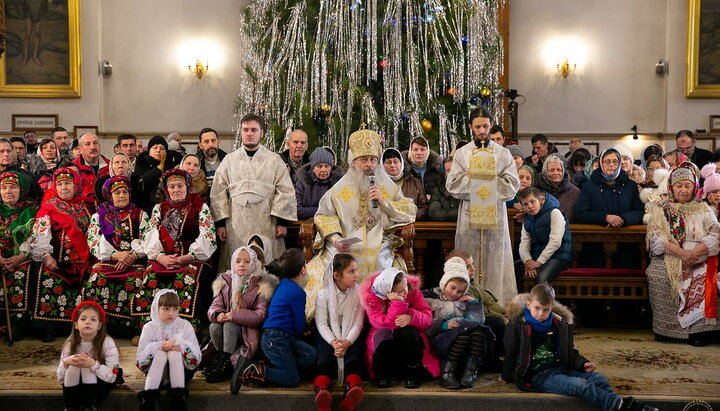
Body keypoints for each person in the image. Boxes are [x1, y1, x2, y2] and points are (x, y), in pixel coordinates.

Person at [303, 128, 416, 319]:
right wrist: (335, 238)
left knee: (383, 260)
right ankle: (335, 316)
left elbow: (409, 211)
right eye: (364, 160)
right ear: (353, 162)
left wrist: (384, 203)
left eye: (372, 160)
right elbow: (324, 215)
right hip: (346, 242)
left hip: (379, 241)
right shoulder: (339, 189)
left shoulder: (387, 186)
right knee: (330, 264)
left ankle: (380, 315)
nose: (369, 165)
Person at [501, 284, 658, 411]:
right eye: (537, 308)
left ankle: (615, 406)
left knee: (598, 378)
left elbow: (568, 350)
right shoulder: (518, 326)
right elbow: (511, 352)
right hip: (541, 375)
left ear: (551, 307)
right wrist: (506, 376)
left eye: (546, 309)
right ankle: (624, 406)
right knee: (582, 386)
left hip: (560, 367)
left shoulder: (558, 324)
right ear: (528, 305)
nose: (541, 313)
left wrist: (582, 363)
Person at [446, 108, 520, 305]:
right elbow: (452, 185)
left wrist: (488, 177)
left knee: (495, 264)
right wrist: (471, 175)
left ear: (491, 125)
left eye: (485, 126)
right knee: (468, 260)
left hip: (495, 220)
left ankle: (497, 305)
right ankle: (464, 304)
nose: (482, 131)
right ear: (471, 127)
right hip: (469, 220)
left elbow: (512, 186)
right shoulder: (462, 154)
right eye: (477, 126)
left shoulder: (503, 154)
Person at [210, 114, 297, 273]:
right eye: (246, 130)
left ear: (261, 133)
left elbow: (285, 190)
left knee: (265, 265)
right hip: (236, 224)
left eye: (254, 130)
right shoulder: (229, 160)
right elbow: (218, 192)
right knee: (237, 265)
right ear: (241, 132)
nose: (249, 133)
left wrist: (282, 222)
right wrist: (221, 224)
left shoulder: (274, 160)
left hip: (266, 222)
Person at [646, 163, 720, 347]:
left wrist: (694, 253)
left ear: (694, 187)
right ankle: (666, 329)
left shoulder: (703, 208)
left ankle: (698, 331)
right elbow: (656, 237)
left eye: (687, 186)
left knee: (705, 278)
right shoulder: (661, 209)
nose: (683, 190)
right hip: (670, 256)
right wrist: (682, 254)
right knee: (658, 275)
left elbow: (716, 234)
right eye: (679, 186)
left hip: (700, 256)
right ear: (671, 187)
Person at [132, 169, 217, 325]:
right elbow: (149, 235)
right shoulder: (159, 208)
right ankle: (148, 326)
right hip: (163, 257)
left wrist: (187, 257)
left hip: (193, 258)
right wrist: (160, 257)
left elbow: (208, 236)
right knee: (150, 276)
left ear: (188, 187)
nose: (176, 190)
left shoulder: (200, 207)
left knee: (188, 278)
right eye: (172, 187)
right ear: (166, 190)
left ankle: (187, 327)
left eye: (180, 186)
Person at [29, 168, 95, 333]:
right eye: (59, 184)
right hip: (58, 261)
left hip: (84, 260)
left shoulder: (86, 204)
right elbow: (40, 233)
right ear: (54, 187)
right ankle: (48, 326)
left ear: (75, 186)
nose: (64, 187)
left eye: (67, 183)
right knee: (47, 276)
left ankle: (83, 326)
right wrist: (46, 256)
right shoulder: (48, 207)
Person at [239, 249, 317, 387]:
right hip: (276, 338)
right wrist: (304, 331)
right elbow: (299, 324)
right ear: (302, 270)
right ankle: (253, 370)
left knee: (310, 354)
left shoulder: (281, 285)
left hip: (280, 336)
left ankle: (279, 369)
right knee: (292, 379)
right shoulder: (298, 292)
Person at [83, 176, 150, 335]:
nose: (121, 195)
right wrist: (115, 255)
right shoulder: (98, 216)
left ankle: (135, 330)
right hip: (108, 261)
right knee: (97, 278)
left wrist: (132, 255)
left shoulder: (140, 215)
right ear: (109, 196)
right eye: (117, 192)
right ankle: (99, 328)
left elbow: (147, 239)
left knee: (138, 280)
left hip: (134, 262)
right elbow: (93, 241)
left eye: (125, 192)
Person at [205, 246, 278, 388]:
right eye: (238, 261)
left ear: (254, 263)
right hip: (227, 330)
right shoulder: (226, 282)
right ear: (232, 263)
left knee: (229, 324)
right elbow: (215, 305)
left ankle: (226, 362)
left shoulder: (260, 285)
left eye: (246, 261)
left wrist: (233, 315)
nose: (241, 265)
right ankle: (222, 359)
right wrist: (218, 314)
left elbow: (260, 315)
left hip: (247, 331)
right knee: (214, 325)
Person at [361, 267, 439, 388]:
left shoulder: (412, 291)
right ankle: (383, 374)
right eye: (400, 291)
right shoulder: (372, 298)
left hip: (408, 336)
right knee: (383, 334)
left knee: (409, 332)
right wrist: (398, 303)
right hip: (384, 332)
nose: (405, 292)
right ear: (387, 293)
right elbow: (383, 324)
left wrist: (411, 316)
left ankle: (412, 372)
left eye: (405, 286)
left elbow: (427, 318)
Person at [423, 257, 492, 389]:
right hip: (439, 339)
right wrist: (443, 325)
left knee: (478, 331)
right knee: (463, 335)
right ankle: (447, 372)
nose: (455, 293)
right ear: (444, 283)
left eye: (459, 291)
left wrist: (474, 304)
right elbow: (424, 325)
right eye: (452, 288)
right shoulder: (429, 298)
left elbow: (477, 323)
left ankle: (470, 371)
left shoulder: (463, 301)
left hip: (461, 341)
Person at [313, 254, 365, 411]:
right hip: (328, 333)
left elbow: (358, 322)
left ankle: (352, 387)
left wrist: (347, 342)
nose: (357, 275)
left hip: (350, 332)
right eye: (351, 271)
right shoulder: (323, 294)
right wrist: (333, 342)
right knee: (324, 353)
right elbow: (321, 323)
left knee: (355, 350)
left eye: (356, 270)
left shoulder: (359, 292)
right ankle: (323, 390)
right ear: (336, 275)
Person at [136, 289, 201, 411]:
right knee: (160, 353)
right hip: (157, 375)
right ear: (157, 308)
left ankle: (178, 400)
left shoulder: (185, 325)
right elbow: (141, 363)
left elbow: (195, 360)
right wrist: (159, 346)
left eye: (175, 309)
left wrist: (179, 343)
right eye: (166, 309)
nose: (171, 313)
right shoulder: (149, 327)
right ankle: (147, 401)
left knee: (174, 353)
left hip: (182, 373)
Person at [446, 249, 506, 366]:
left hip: (489, 313)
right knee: (498, 323)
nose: (473, 269)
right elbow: (480, 309)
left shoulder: (472, 282)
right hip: (475, 318)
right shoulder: (461, 288)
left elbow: (489, 301)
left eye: (472, 264)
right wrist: (502, 316)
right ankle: (496, 359)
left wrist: (505, 312)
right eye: (468, 267)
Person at [58, 301, 122, 411]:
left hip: (100, 383)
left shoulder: (107, 343)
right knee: (75, 365)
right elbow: (60, 378)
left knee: (86, 364)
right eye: (83, 319)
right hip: (77, 384)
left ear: (99, 325)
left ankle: (89, 406)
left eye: (93, 319)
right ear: (76, 324)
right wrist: (66, 362)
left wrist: (93, 364)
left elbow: (112, 377)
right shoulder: (70, 344)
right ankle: (70, 406)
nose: (88, 322)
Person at [0, 171, 39, 332]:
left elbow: (36, 235)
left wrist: (21, 256)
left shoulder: (32, 209)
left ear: (21, 190)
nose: (8, 191)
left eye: (13, 187)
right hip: (1, 258)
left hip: (23, 257)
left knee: (24, 272)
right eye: (3, 187)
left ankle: (17, 325)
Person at [513, 187, 572, 287]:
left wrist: (539, 262)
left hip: (559, 256)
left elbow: (555, 242)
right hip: (537, 256)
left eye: (532, 201)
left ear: (540, 199)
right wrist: (528, 261)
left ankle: (541, 303)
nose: (530, 206)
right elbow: (524, 243)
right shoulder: (527, 218)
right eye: (526, 204)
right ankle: (516, 301)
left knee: (541, 278)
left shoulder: (554, 213)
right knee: (511, 270)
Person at [576, 148, 644, 228]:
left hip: (625, 234)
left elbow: (639, 211)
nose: (611, 164)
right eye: (607, 162)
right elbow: (582, 214)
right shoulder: (589, 186)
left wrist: (623, 219)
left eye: (615, 162)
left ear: (619, 164)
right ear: (601, 164)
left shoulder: (630, 185)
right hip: (597, 235)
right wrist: (605, 217)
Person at [295, 147, 344, 220]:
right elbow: (297, 210)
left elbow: (343, 208)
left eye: (327, 166)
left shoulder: (339, 182)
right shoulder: (302, 182)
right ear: (313, 168)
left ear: (331, 168)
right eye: (319, 166)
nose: (323, 170)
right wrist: (322, 210)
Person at [135, 135, 179, 213]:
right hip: (145, 206)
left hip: (169, 206)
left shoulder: (173, 165)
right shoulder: (142, 163)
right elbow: (141, 181)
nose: (158, 150)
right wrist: (159, 168)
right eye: (155, 148)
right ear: (149, 151)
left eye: (162, 148)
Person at [383, 148, 429, 221]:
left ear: (401, 163)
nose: (392, 165)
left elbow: (424, 208)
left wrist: (409, 219)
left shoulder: (415, 183)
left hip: (411, 227)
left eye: (396, 162)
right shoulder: (379, 184)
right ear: (382, 165)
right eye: (388, 162)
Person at [534, 154, 580, 222]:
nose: (556, 173)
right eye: (552, 170)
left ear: (563, 172)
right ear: (545, 172)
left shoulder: (574, 192)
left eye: (559, 170)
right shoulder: (536, 191)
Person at [428, 156, 460, 222]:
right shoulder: (436, 190)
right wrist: (460, 214)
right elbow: (434, 213)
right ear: (444, 173)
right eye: (448, 170)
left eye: (454, 169)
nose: (452, 173)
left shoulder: (468, 190)